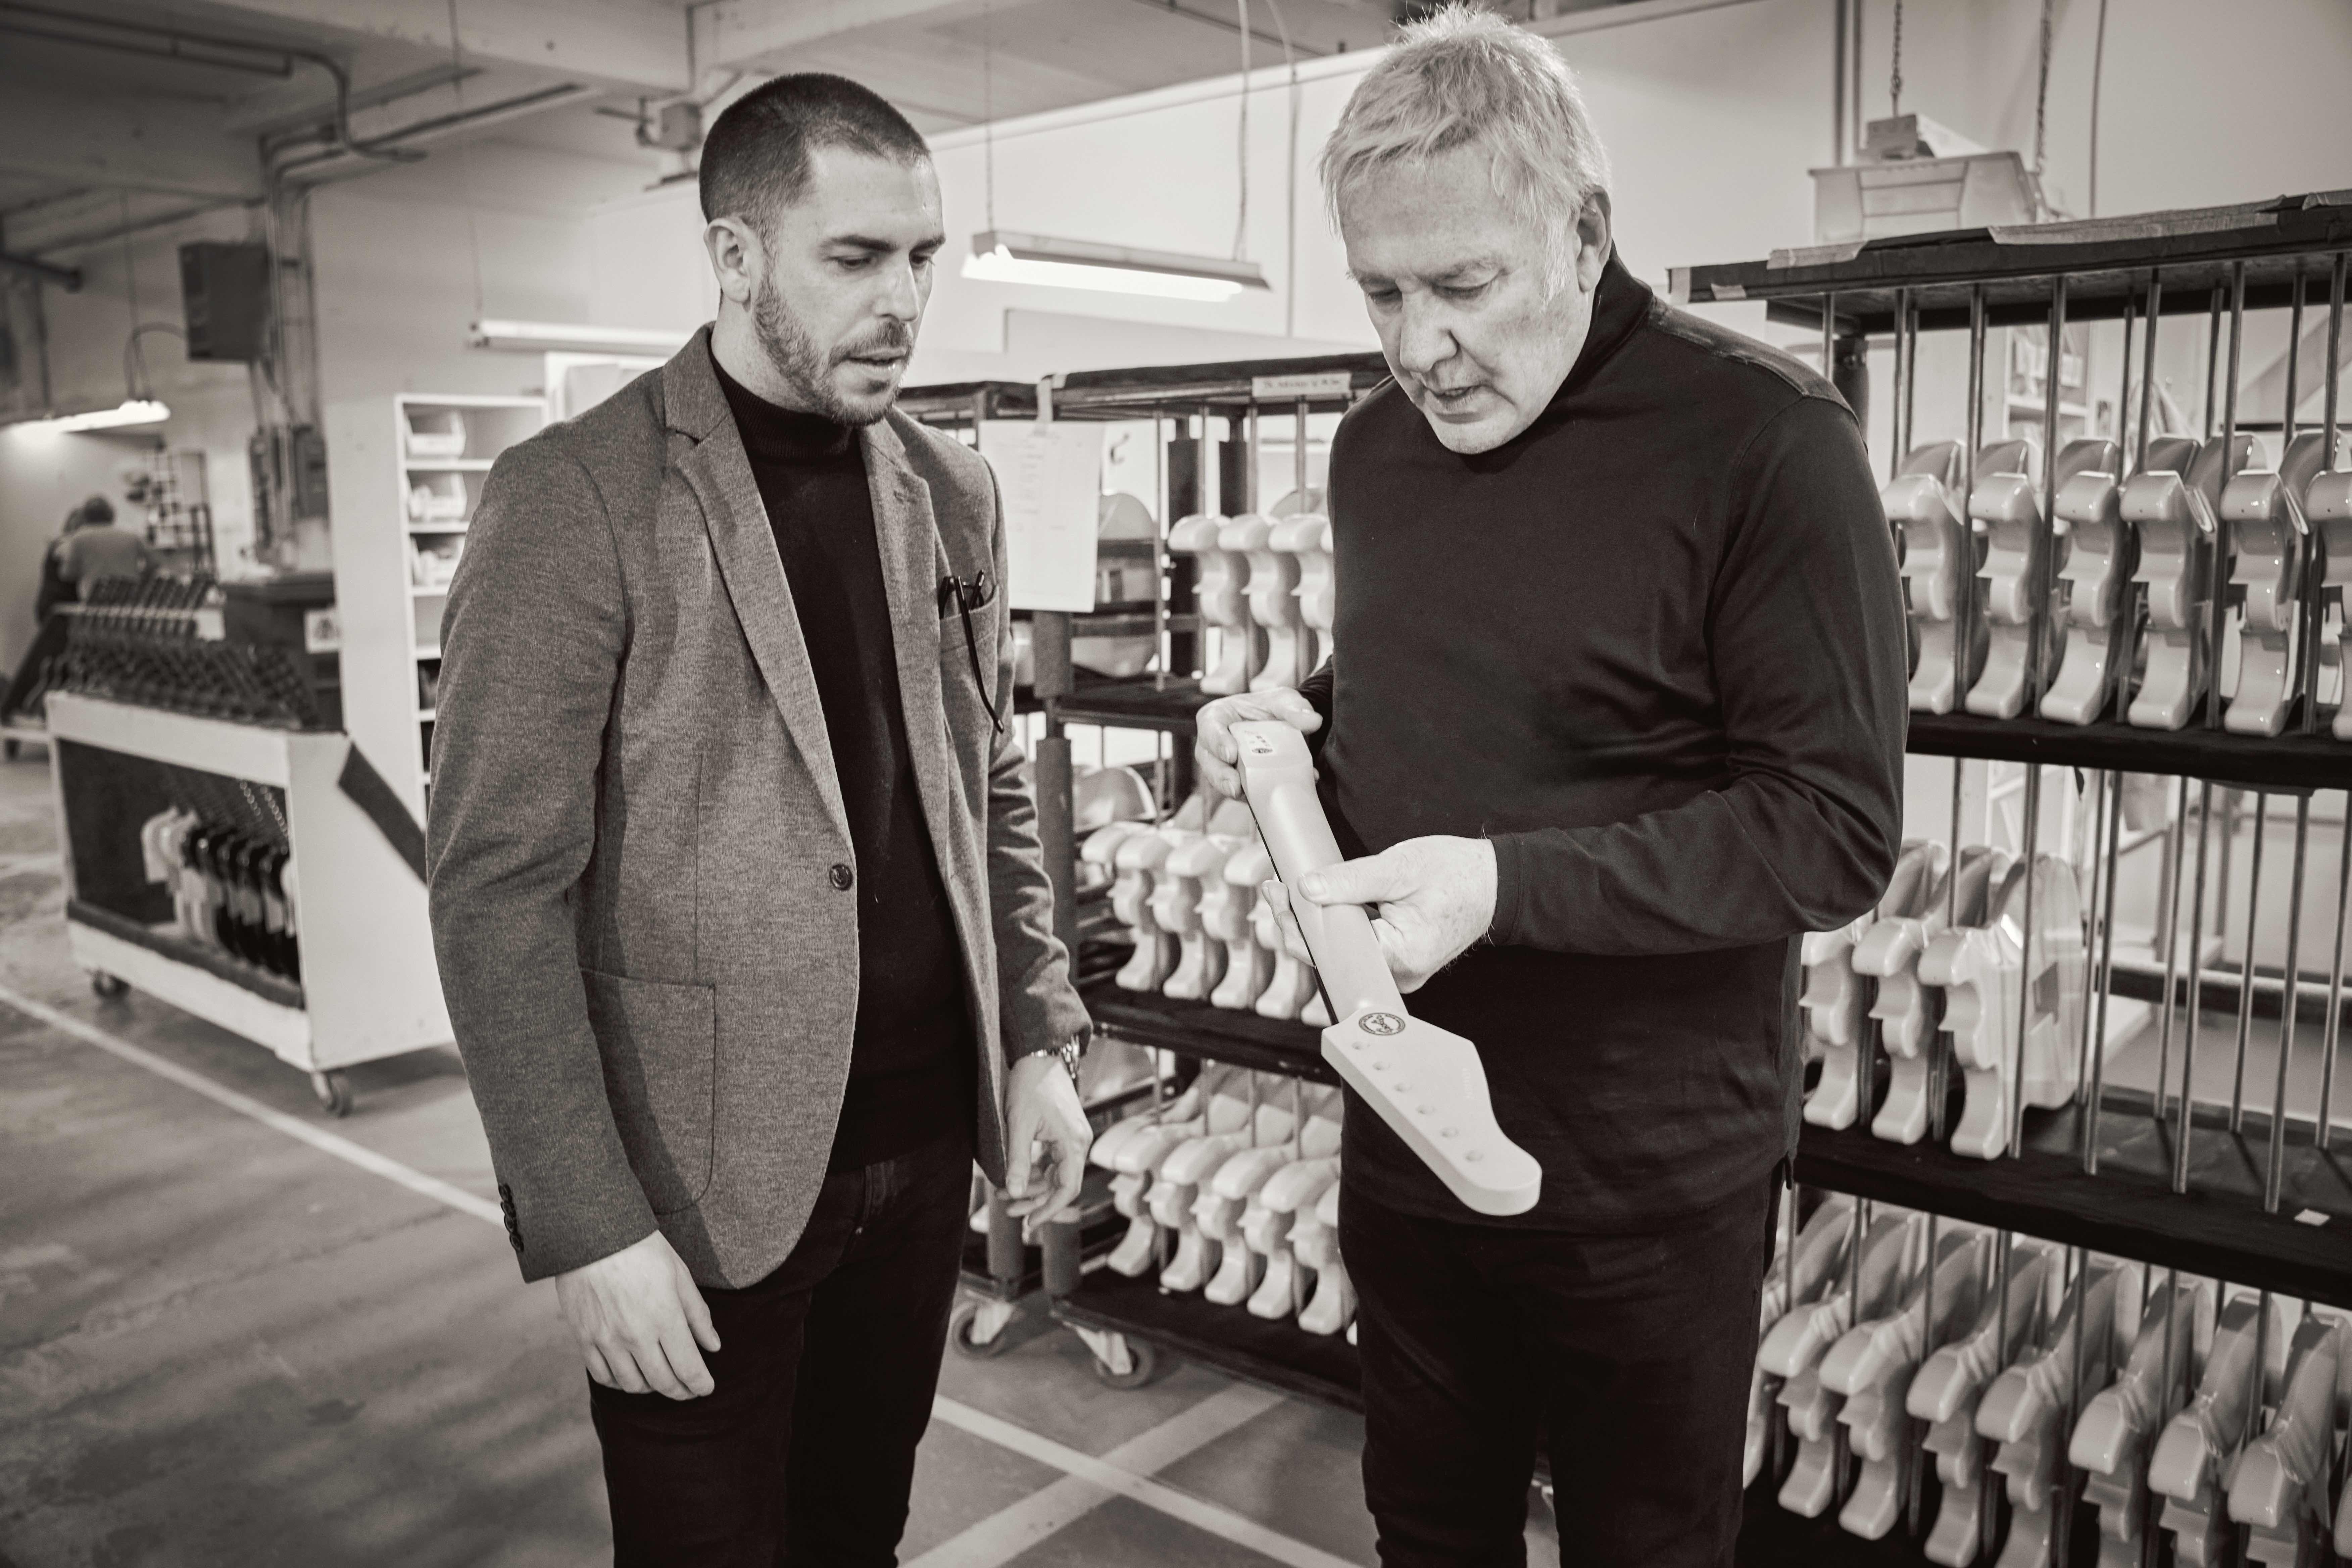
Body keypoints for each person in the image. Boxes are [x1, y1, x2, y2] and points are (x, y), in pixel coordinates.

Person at [1194, 10, 1907, 1566]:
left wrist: (1504, 881)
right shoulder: (1376, 446)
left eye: (1461, 286)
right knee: (1427, 1530)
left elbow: (1830, 826)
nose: (1416, 345)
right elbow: (1427, 673)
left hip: (1643, 1176)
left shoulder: (1765, 445)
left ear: (1581, 234)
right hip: (1403, 1119)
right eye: (1380, 292)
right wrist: (1294, 720)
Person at [426, 73, 1093, 1567]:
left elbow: (980, 781)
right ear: (735, 258)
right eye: (855, 259)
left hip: (924, 1151)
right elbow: (493, 889)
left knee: (859, 1531)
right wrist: (588, 1223)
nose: (904, 300)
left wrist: (1038, 1032)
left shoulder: (953, 490)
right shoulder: (572, 501)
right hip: (698, 1183)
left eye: (923, 256)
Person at [48, 496, 149, 607]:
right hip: (129, 600)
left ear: (85, 517)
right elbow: (153, 563)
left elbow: (67, 574)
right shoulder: (131, 536)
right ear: (111, 515)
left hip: (95, 603)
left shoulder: (79, 538)